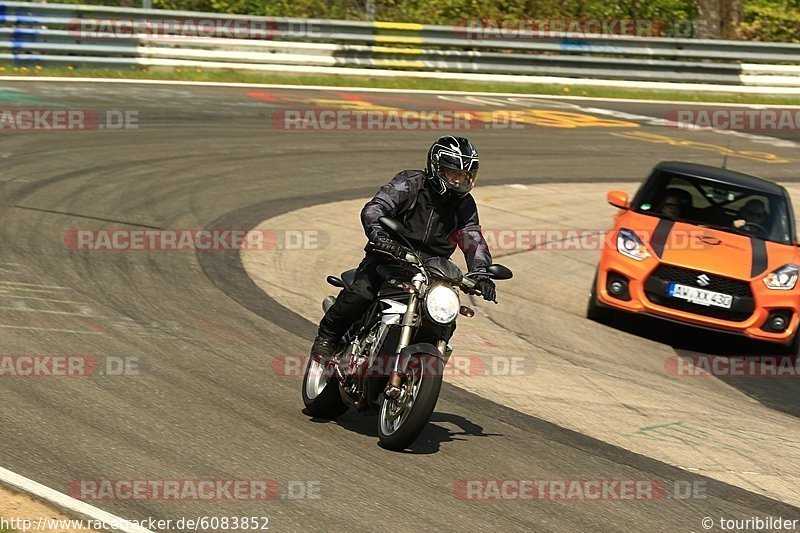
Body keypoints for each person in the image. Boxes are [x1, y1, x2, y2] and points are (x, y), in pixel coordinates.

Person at [310, 136, 496, 361]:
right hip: (388, 258)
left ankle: (423, 366)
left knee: (444, 317)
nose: (460, 181)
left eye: (466, 176)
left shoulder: (466, 205)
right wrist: (380, 237)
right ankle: (327, 337)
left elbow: (472, 238)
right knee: (361, 293)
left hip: (432, 274)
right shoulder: (410, 182)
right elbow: (375, 208)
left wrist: (482, 273)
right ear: (437, 169)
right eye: (454, 174)